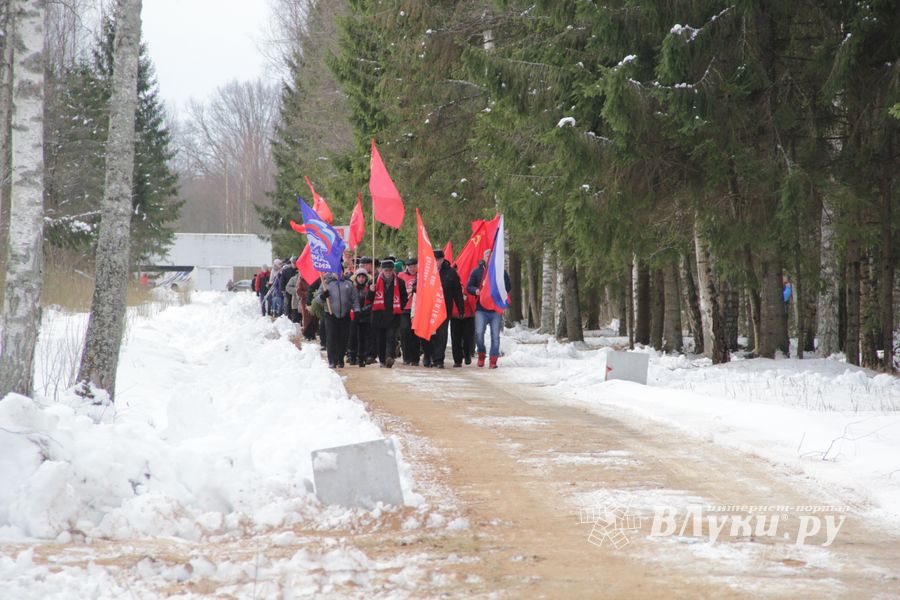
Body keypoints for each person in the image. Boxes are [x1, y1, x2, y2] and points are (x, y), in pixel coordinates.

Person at [467, 249, 511, 369]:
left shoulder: (501, 272)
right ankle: (481, 354)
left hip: (495, 309)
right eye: (487, 256)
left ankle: (493, 360)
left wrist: (501, 287)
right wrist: (475, 290)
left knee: (495, 336)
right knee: (479, 333)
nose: (489, 258)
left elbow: (508, 287)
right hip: (481, 309)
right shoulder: (477, 272)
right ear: (484, 258)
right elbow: (469, 287)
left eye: (492, 256)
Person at [423, 249, 464, 369]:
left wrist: (461, 308)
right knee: (429, 334)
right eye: (434, 259)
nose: (436, 262)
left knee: (442, 334)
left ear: (442, 259)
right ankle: (428, 355)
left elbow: (457, 292)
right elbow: (419, 285)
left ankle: (439, 359)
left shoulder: (451, 273)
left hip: (444, 308)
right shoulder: (426, 271)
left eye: (438, 259)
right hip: (429, 308)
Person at [368, 259, 407, 368]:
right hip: (378, 315)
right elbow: (368, 299)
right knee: (381, 338)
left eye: (390, 270)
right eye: (386, 270)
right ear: (381, 270)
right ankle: (382, 360)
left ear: (393, 270)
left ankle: (389, 357)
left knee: (391, 337)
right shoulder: (373, 282)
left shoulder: (400, 282)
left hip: (393, 315)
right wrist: (371, 291)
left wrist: (399, 307)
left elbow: (404, 297)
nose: (388, 272)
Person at [317, 272, 359, 368]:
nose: (338, 273)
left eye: (339, 271)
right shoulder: (326, 283)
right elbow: (318, 299)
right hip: (330, 314)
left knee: (343, 338)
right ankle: (332, 360)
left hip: (345, 314)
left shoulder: (349, 283)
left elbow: (354, 299)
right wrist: (323, 296)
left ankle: (340, 359)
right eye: (336, 272)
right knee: (331, 337)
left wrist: (356, 310)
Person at [450, 262, 476, 367]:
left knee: (468, 337)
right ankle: (457, 360)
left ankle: (467, 354)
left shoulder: (467, 280)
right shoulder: (450, 280)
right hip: (455, 315)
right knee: (456, 338)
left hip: (468, 314)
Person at [397, 258, 420, 365]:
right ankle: (406, 357)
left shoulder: (421, 275)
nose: (412, 269)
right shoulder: (401, 276)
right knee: (405, 332)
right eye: (410, 267)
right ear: (407, 267)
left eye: (414, 266)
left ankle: (415, 358)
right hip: (405, 308)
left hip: (417, 309)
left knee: (415, 334)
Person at [349, 269, 373, 367]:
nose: (361, 279)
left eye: (363, 277)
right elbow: (350, 301)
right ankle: (352, 356)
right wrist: (355, 310)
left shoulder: (368, 289)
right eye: (359, 277)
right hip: (354, 316)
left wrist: (363, 310)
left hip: (364, 316)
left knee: (363, 338)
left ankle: (362, 358)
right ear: (356, 278)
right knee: (353, 337)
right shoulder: (352, 289)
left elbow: (371, 302)